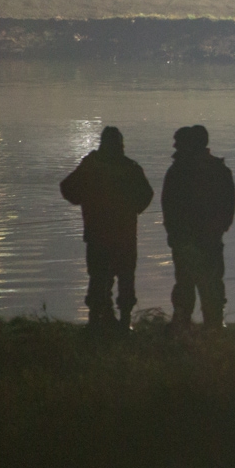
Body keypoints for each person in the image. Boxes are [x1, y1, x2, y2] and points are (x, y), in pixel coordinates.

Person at [60, 126, 153, 331]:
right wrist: (132, 210)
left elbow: (67, 188)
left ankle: (97, 322)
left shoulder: (92, 166)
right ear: (120, 145)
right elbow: (146, 195)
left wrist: (84, 200)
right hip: (122, 234)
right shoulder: (130, 168)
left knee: (100, 277)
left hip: (98, 233)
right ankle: (121, 322)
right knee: (124, 277)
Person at [162, 124, 235, 330]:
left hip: (191, 237)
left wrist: (174, 232)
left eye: (179, 143)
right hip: (206, 236)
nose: (175, 146)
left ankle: (186, 321)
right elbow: (229, 204)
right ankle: (213, 323)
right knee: (209, 282)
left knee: (188, 282)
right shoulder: (218, 170)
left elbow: (168, 205)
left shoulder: (179, 171)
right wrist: (221, 227)